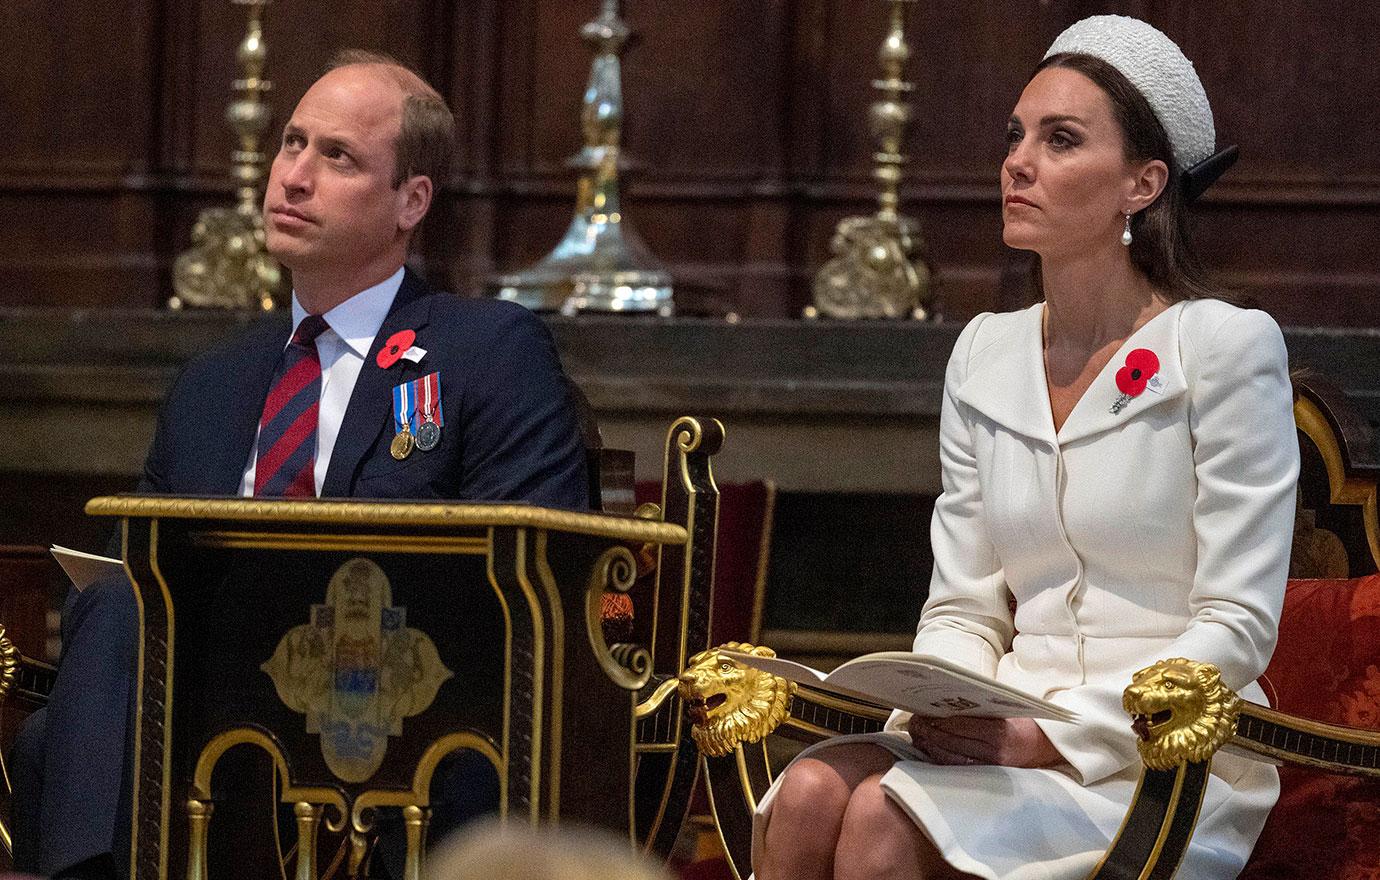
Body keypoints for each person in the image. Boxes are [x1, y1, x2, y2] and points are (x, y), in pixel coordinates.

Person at [11, 51, 589, 879]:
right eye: (291, 143)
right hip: (205, 702)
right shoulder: (211, 386)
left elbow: (538, 583)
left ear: (410, 202)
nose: (293, 176)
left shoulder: (484, 352)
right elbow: (146, 578)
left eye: (337, 157)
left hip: (388, 697)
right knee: (113, 611)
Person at [754, 16, 1297, 880]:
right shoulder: (984, 352)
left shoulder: (1224, 347)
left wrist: (1049, 735)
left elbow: (1234, 626)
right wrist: (942, 705)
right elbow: (965, 609)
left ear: (1143, 183)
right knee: (813, 788)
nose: (1019, 162)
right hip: (999, 725)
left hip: (1158, 758)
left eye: (1062, 139)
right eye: (1017, 136)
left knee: (879, 822)